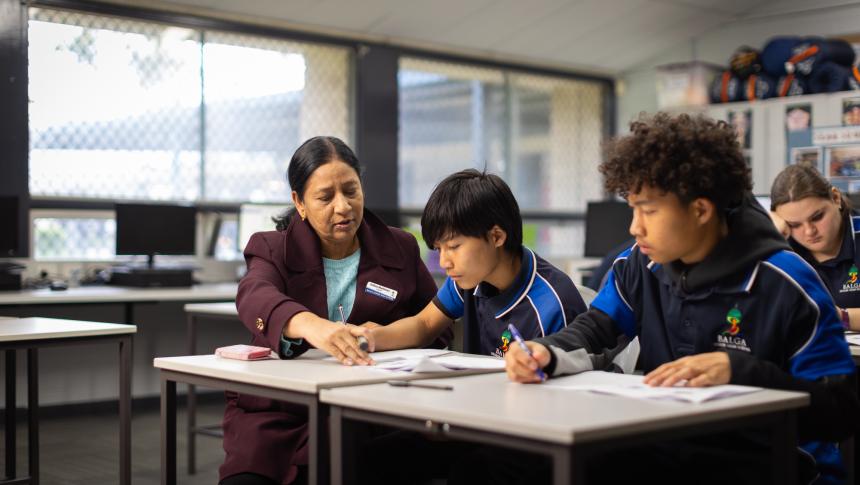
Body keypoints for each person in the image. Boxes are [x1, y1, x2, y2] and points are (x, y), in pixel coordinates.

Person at [505, 113, 859, 485]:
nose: (634, 227)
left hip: (773, 464)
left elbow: (839, 411)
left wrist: (739, 373)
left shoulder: (787, 280)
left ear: (701, 210)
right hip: (669, 450)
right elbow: (595, 328)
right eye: (632, 207)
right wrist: (545, 352)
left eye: (649, 210)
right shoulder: (639, 265)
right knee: (506, 467)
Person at [222, 136, 450, 485]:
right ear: (299, 202)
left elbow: (438, 327)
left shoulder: (400, 247)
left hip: (368, 413)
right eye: (325, 197)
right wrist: (311, 326)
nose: (343, 207)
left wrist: (383, 340)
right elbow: (254, 294)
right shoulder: (270, 247)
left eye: (351, 191)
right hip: (280, 417)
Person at [356, 169, 589, 358]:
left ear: (496, 237)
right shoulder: (469, 280)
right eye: (439, 249)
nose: (444, 262)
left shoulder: (552, 305)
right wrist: (371, 338)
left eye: (454, 247)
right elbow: (425, 325)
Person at [771, 164, 860, 331]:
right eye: (794, 224)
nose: (809, 231)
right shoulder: (780, 248)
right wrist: (766, 234)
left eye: (817, 217)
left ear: (835, 198)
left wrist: (841, 318)